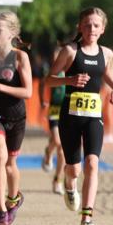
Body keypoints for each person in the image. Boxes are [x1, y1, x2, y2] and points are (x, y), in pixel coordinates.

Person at [44, 7, 113, 225]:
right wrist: (70, 79)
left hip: (93, 116)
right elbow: (48, 80)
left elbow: (104, 72)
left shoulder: (106, 53)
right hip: (70, 115)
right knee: (75, 168)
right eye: (87, 25)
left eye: (96, 25)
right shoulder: (70, 51)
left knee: (92, 163)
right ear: (80, 27)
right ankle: (69, 184)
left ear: (103, 29)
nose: (91, 29)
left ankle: (86, 220)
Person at [0, 11, 33, 225]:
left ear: (12, 33)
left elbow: (28, 92)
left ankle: (14, 199)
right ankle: (1, 209)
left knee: (11, 164)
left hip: (17, 117)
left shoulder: (21, 57)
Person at [40, 43, 67, 194]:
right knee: (57, 142)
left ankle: (58, 180)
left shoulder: (70, 70)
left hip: (67, 111)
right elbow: (42, 85)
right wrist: (42, 100)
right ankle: (48, 152)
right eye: (55, 56)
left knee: (62, 149)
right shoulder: (51, 72)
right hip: (54, 110)